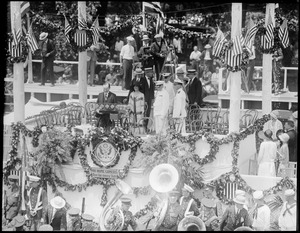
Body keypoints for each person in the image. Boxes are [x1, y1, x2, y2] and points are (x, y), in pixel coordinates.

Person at [139, 67, 155, 131]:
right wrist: (144, 100)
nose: (152, 74)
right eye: (151, 72)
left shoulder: (151, 80)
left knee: (148, 113)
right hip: (144, 100)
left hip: (149, 100)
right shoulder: (142, 80)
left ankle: (146, 127)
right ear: (147, 73)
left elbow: (151, 90)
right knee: (144, 113)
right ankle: (143, 127)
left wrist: (152, 98)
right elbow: (142, 91)